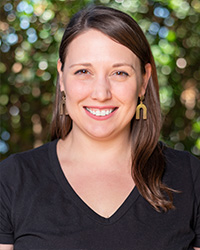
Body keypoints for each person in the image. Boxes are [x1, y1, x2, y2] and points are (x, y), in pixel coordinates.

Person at [0, 5, 200, 250]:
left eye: (119, 73)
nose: (101, 93)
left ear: (143, 80)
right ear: (62, 77)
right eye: (84, 71)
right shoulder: (11, 179)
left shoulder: (190, 177)